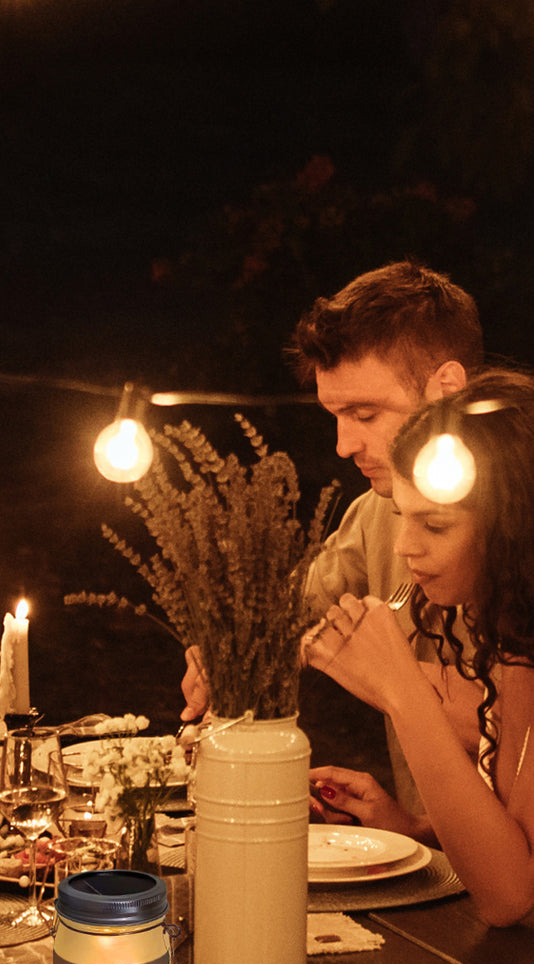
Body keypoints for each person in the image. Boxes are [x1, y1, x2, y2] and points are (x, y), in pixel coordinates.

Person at [180, 261, 484, 811]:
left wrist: (389, 677)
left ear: (446, 388)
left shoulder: (517, 515)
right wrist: (225, 652)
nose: (343, 444)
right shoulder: (377, 512)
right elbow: (285, 618)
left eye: (365, 413)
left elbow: (513, 731)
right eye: (334, 415)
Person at [305, 370, 534, 927]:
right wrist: (415, 828)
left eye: (434, 524)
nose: (406, 547)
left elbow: (512, 897)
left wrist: (402, 691)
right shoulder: (515, 646)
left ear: (515, 526)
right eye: (404, 519)